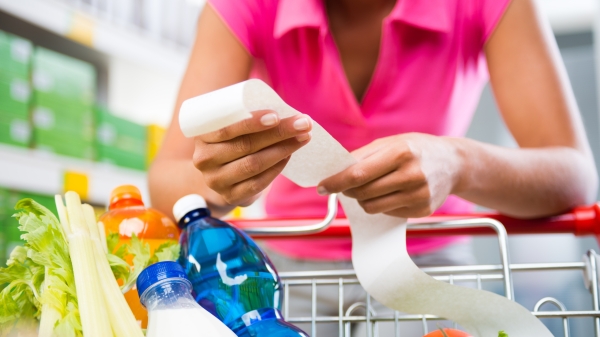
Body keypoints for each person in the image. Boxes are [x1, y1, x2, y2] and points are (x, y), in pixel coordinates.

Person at [149, 0, 598, 334]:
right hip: (284, 271)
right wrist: (223, 182)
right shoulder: (246, 6)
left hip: (427, 260)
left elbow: (575, 175)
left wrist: (460, 163)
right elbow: (166, 177)